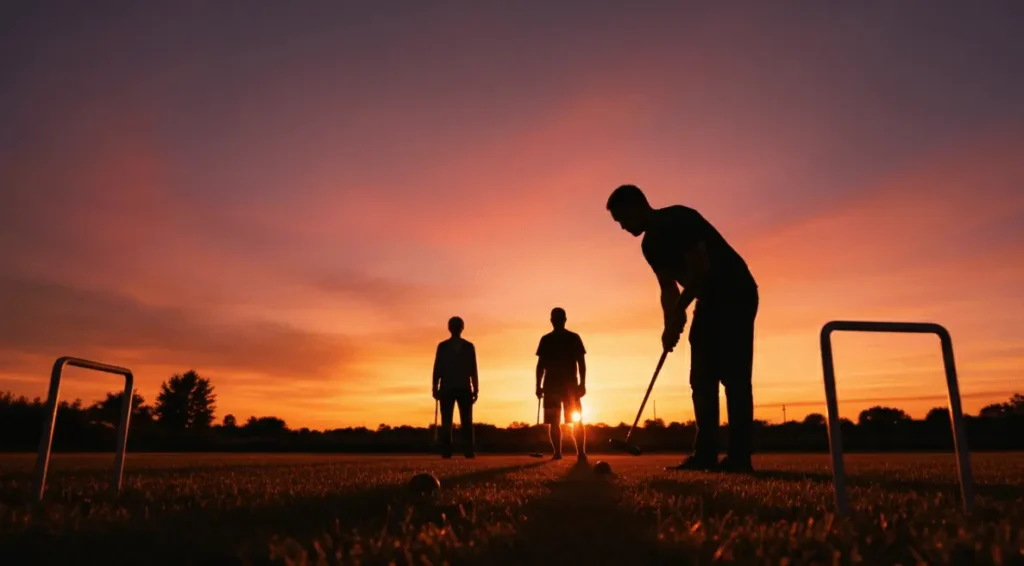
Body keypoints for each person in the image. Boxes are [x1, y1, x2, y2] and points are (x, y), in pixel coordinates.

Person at [606, 184, 759, 473]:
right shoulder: (649, 246)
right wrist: (669, 325)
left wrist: (680, 312)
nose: (623, 227)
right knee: (701, 378)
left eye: (622, 220)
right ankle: (705, 455)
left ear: (636, 206)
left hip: (735, 292)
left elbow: (701, 270)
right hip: (708, 300)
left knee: (734, 378)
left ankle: (740, 457)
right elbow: (668, 289)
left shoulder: (678, 218)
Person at [535, 307, 588, 462]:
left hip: (570, 387)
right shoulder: (546, 339)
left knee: (576, 420)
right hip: (551, 386)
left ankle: (581, 453)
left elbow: (581, 363)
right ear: (551, 320)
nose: (557, 321)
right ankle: (558, 453)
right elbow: (540, 365)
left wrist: (582, 384)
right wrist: (538, 385)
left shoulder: (574, 338)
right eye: (555, 319)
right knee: (554, 421)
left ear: (565, 319)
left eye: (559, 319)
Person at [432, 316, 479, 459]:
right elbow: (437, 368)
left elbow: (473, 368)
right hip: (448, 387)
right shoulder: (443, 346)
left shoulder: (468, 346)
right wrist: (435, 386)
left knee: (466, 421)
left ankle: (468, 450)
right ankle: (447, 450)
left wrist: (475, 388)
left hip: (463, 387)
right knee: (447, 421)